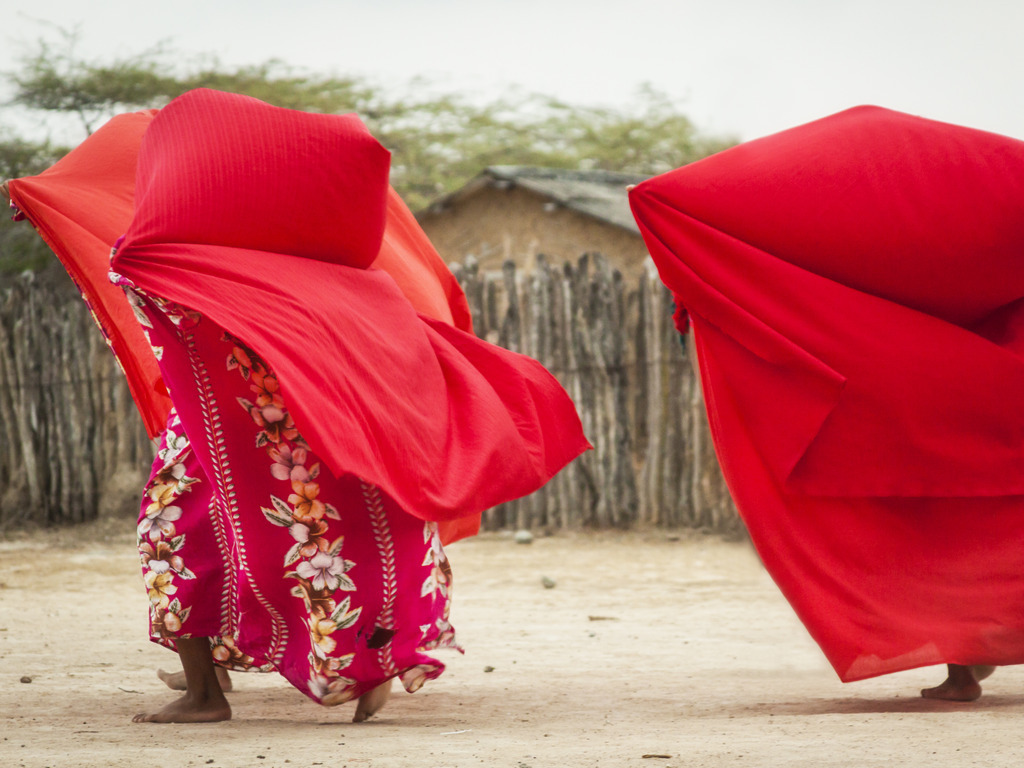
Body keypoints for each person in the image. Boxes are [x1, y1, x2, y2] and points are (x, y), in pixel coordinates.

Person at [6, 88, 589, 723]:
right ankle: (351, 665)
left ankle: (211, 692)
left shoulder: (193, 261)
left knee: (177, 534)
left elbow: (148, 291)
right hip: (299, 429)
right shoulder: (319, 275)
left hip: (230, 433)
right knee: (341, 526)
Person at [629, 105, 1024, 702]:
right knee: (965, 522)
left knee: (912, 528)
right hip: (952, 385)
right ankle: (967, 654)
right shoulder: (943, 209)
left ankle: (962, 658)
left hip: (870, 387)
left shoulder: (828, 259)